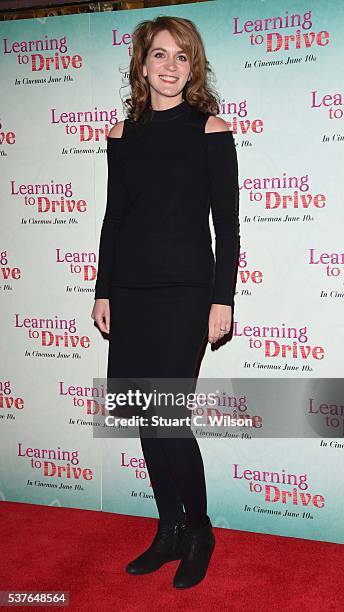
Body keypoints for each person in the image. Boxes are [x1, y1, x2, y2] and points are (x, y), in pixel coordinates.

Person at [91, 15, 240, 589]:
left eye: (182, 56)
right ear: (143, 64)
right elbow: (115, 218)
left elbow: (227, 227)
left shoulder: (211, 130)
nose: (170, 66)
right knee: (146, 419)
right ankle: (169, 528)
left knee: (169, 418)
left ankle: (199, 530)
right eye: (160, 54)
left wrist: (221, 299)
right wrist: (103, 287)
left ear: (193, 66)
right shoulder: (122, 135)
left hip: (185, 292)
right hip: (129, 292)